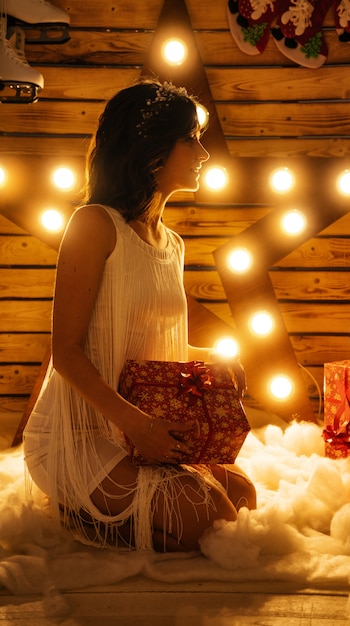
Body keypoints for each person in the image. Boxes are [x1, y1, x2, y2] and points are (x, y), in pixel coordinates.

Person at [23, 77, 257, 553]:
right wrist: (140, 426)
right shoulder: (93, 225)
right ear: (150, 145)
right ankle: (78, 511)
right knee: (212, 520)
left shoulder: (172, 244)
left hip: (133, 433)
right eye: (190, 139)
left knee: (243, 498)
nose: (203, 154)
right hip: (77, 434)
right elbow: (67, 354)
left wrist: (210, 356)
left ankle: (113, 512)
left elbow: (151, 347)